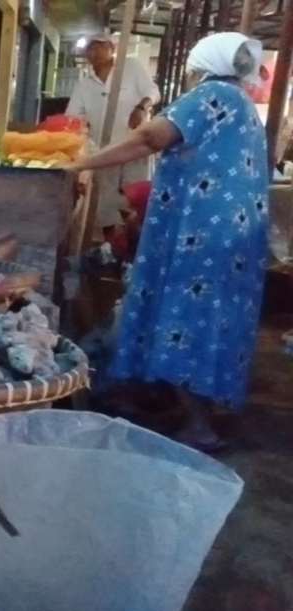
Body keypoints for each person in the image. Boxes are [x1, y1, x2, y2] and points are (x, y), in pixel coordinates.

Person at [66, 32, 271, 454]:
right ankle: (164, 397)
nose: (192, 72)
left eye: (195, 64)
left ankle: (198, 426)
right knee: (209, 316)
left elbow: (149, 138)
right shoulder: (241, 103)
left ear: (208, 64)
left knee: (186, 315)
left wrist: (79, 163)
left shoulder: (211, 96)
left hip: (202, 230)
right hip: (225, 231)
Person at [65, 34, 162, 246]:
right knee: (105, 205)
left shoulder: (131, 68)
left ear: (111, 48)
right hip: (104, 152)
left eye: (100, 46)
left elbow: (153, 92)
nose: (94, 51)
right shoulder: (84, 84)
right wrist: (81, 127)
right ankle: (110, 250)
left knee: (134, 201)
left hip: (135, 148)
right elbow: (72, 116)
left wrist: (142, 107)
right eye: (90, 48)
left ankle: (136, 249)